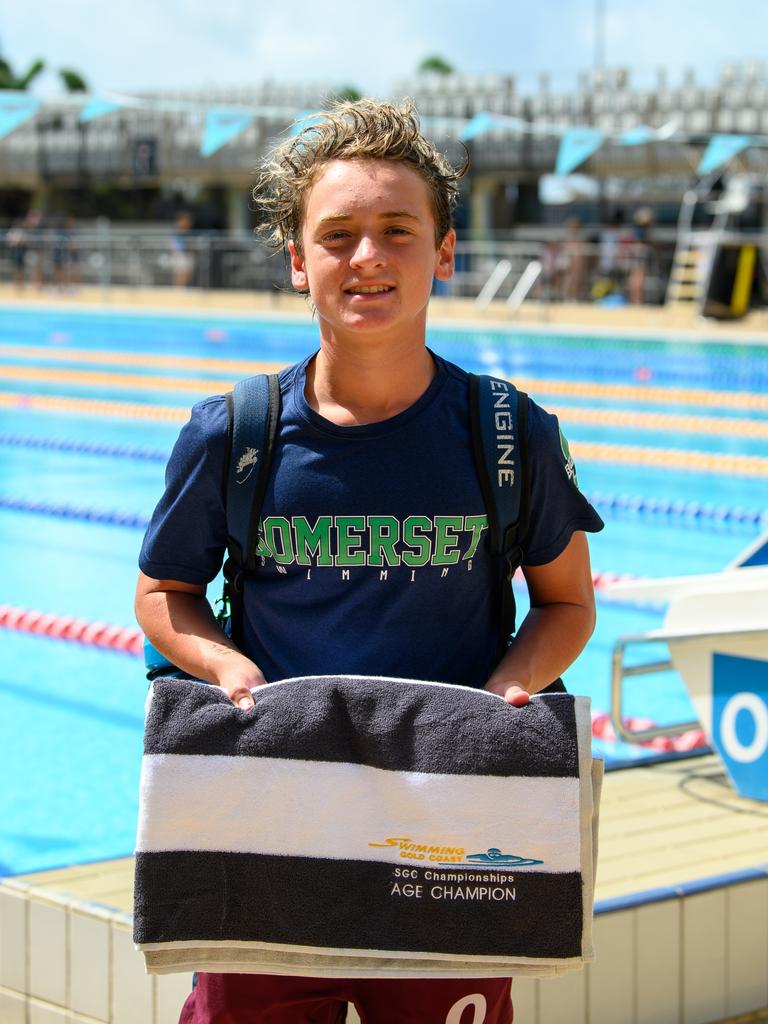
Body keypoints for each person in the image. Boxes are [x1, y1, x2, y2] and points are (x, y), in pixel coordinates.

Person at [135, 98, 604, 1024]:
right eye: (337, 234)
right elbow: (164, 593)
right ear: (298, 260)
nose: (368, 256)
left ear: (444, 253)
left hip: (449, 829)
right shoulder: (237, 431)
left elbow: (567, 606)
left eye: (398, 230)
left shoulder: (506, 433)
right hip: (270, 817)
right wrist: (225, 666)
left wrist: (506, 693)